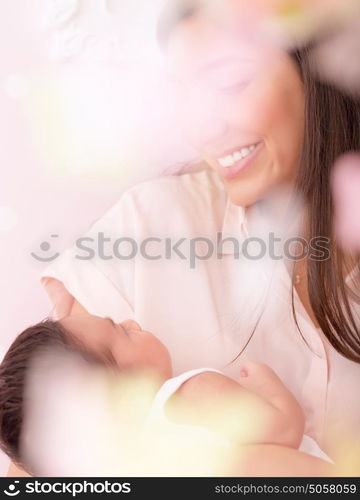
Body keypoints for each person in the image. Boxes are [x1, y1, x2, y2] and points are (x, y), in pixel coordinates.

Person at [8, 0, 360, 475]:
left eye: (229, 83)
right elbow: (38, 467)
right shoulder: (146, 229)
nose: (202, 128)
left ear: (321, 69)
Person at [0, 314, 333, 476]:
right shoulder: (187, 396)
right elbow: (285, 429)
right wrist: (267, 385)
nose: (133, 321)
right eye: (123, 331)